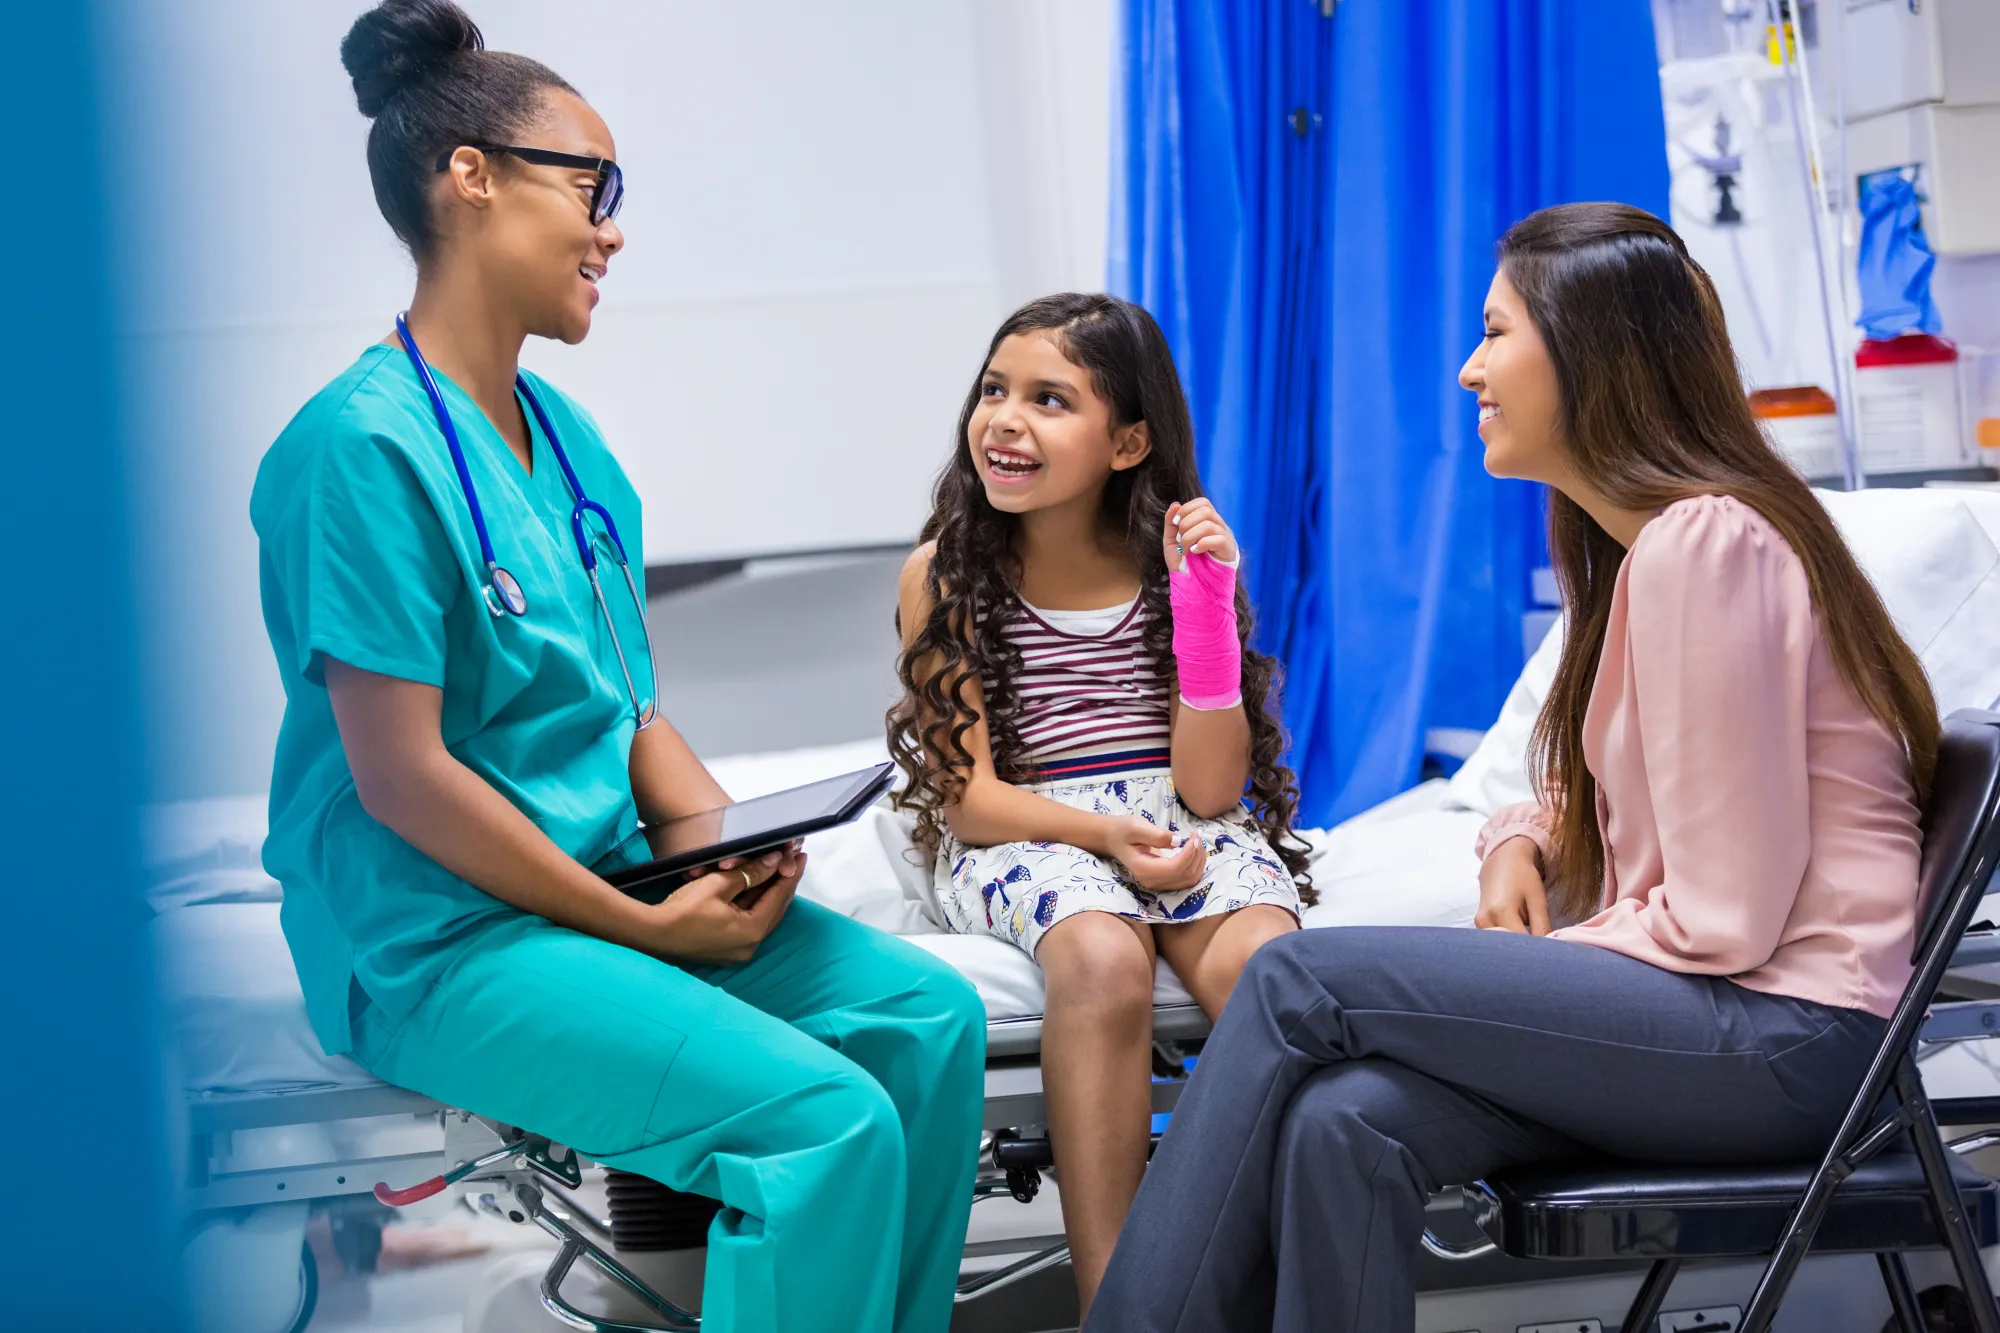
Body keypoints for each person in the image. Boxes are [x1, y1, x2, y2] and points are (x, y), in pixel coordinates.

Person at [249, 3, 983, 1329]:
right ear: (469, 176)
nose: (614, 228)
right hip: (442, 940)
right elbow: (402, 778)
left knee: (926, 1028)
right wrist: (642, 925)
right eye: (595, 186)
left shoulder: (571, 443)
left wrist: (723, 847)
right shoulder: (359, 450)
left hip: (597, 893)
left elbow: (629, 708)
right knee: (824, 1128)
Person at [1086, 202, 1940, 1333]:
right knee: (1346, 1117)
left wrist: (1541, 965)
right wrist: (1516, 836)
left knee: (1301, 982)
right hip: (1734, 1024)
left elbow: (1726, 917)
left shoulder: (1705, 544)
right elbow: (1637, 783)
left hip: (1786, 1037)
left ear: (1590, 352)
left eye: (1493, 333)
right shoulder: (1652, 555)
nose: (1464, 369)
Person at [888, 292, 1312, 1315]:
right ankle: (1115, 1300)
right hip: (1029, 824)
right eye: (994, 389)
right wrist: (1106, 838)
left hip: (1172, 811)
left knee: (1271, 969)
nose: (1004, 417)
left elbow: (1210, 790)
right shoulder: (940, 576)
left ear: (1126, 442)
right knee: (1099, 953)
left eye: (1047, 398)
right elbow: (973, 802)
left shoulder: (1170, 575)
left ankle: (1266, 1276)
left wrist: (1204, 599)